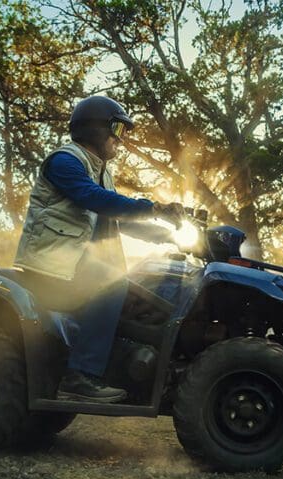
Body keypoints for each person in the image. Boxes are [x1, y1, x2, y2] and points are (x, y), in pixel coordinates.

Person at [13, 95, 184, 403]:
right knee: (112, 284)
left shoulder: (101, 171)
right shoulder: (65, 161)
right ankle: (79, 376)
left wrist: (163, 235)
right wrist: (153, 207)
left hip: (75, 265)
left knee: (139, 292)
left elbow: (114, 215)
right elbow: (94, 199)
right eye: (117, 130)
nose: (121, 140)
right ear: (96, 128)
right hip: (51, 265)